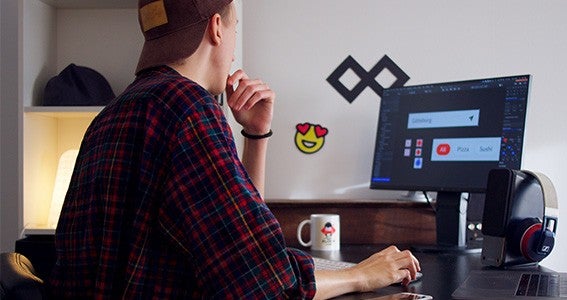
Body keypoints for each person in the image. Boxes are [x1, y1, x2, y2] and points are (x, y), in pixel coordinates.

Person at [47, 0, 421, 299]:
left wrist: (255, 136)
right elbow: (264, 284)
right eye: (234, 30)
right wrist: (360, 275)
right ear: (216, 28)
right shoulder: (187, 107)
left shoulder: (115, 111)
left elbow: (244, 238)